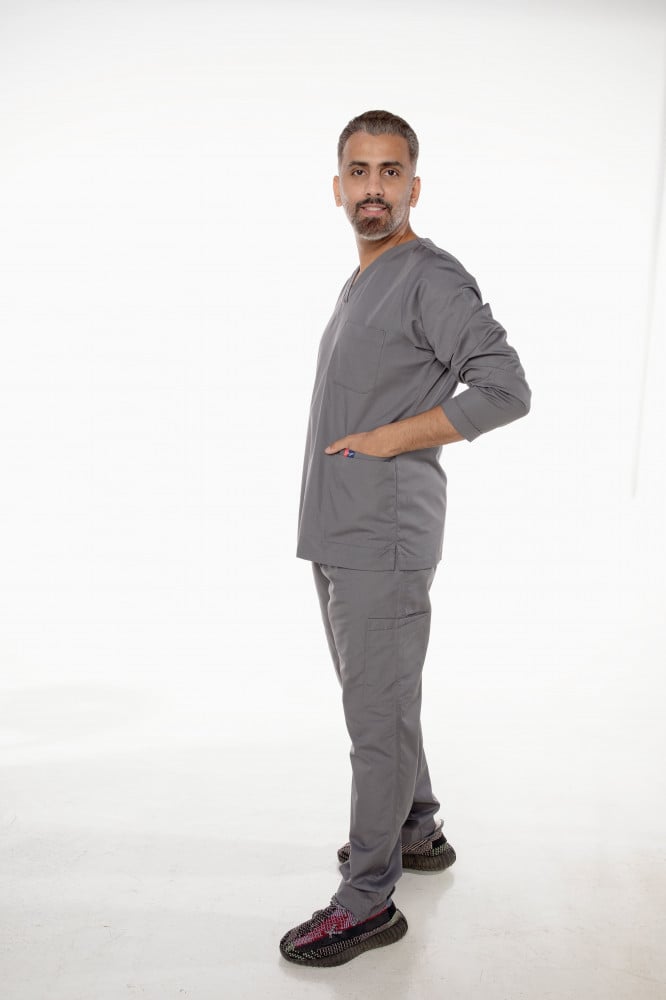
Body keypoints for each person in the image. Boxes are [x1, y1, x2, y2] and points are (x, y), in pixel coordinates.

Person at [279, 110, 531, 968]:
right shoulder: (365, 277)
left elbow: (505, 387)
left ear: (414, 187)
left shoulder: (429, 276)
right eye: (359, 171)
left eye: (391, 172)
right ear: (337, 187)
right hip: (342, 531)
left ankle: (367, 902)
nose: (374, 188)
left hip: (382, 537)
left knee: (375, 721)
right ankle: (416, 830)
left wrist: (390, 439)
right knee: (385, 699)